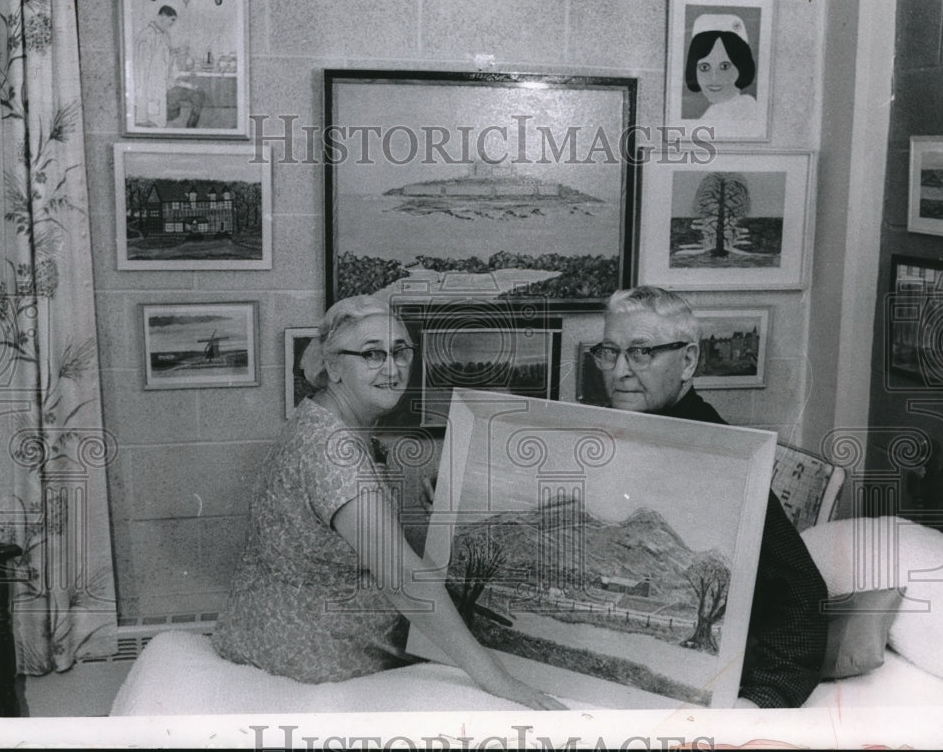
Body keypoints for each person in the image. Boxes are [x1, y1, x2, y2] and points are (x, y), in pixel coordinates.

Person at [211, 295, 563, 710]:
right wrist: (500, 683)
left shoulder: (320, 419)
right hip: (315, 656)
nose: (392, 369)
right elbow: (402, 577)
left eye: (400, 352)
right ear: (334, 366)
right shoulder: (333, 449)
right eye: (372, 354)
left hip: (269, 632)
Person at [589, 286, 828, 708]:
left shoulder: (722, 456)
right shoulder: (616, 425)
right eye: (610, 352)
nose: (619, 370)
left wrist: (762, 700)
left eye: (641, 352)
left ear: (689, 361)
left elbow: (802, 593)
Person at [684, 14, 762, 137]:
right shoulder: (714, 111)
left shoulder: (746, 109)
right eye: (704, 67)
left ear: (742, 67)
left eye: (725, 67)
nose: (714, 77)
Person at [133, 5, 206, 128]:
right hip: (151, 92)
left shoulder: (165, 36)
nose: (172, 24)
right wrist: (142, 116)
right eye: (170, 21)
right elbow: (141, 75)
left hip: (162, 88)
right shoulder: (147, 36)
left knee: (161, 124)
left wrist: (176, 54)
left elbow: (168, 64)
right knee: (154, 126)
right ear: (161, 17)